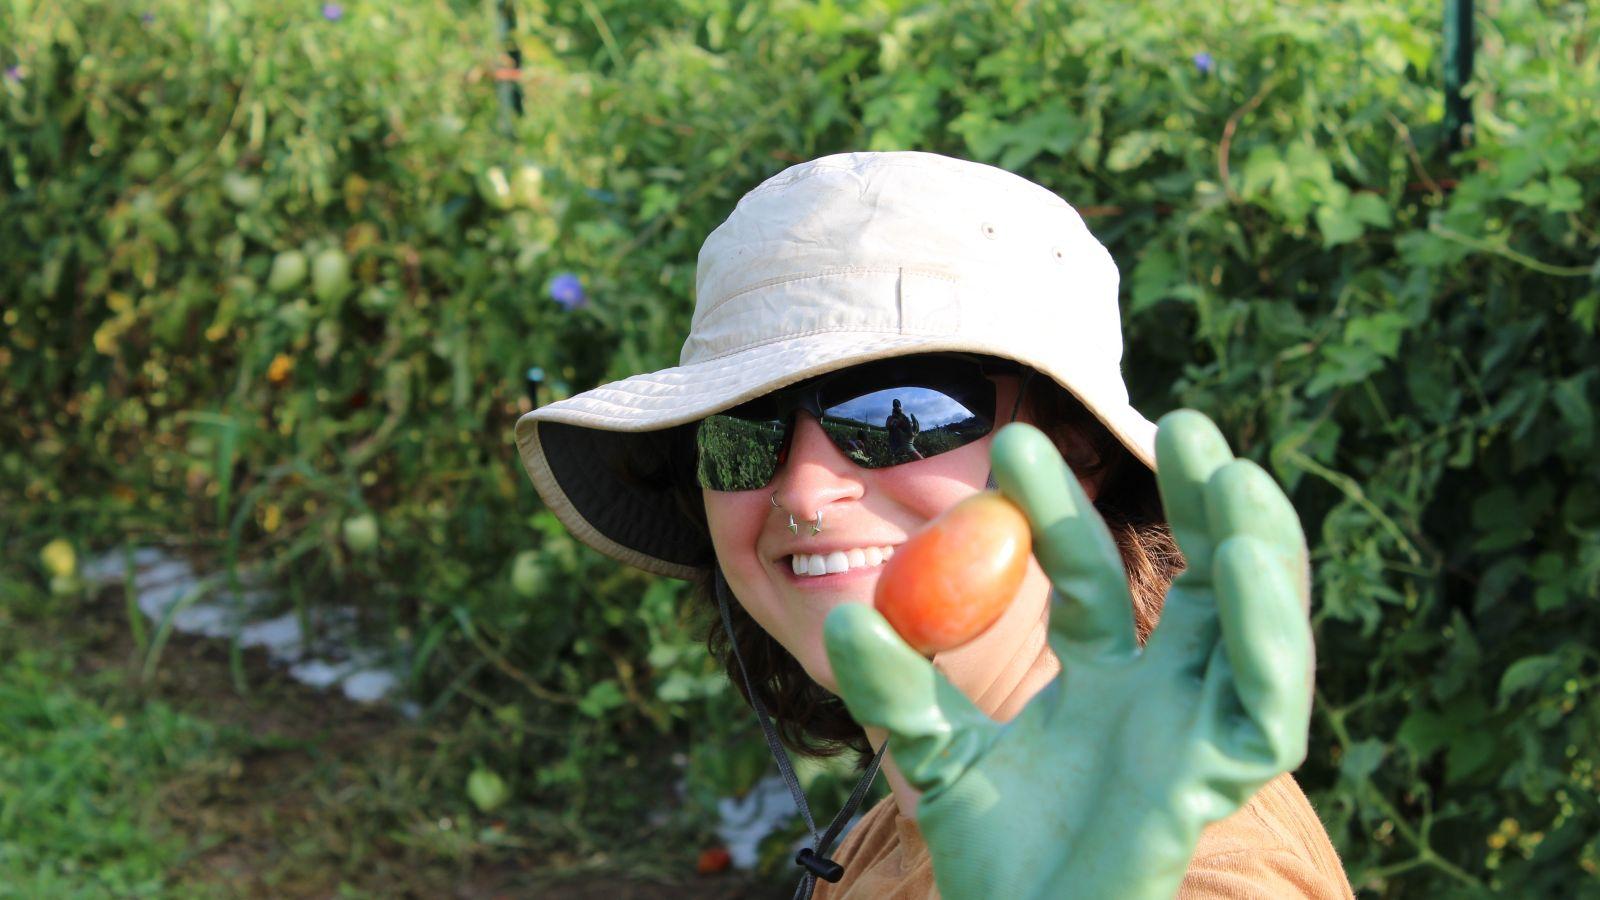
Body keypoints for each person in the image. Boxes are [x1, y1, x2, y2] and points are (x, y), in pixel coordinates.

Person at [514, 152, 1354, 899]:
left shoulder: (1193, 864)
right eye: (742, 434)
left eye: (900, 414)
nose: (804, 489)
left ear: (1075, 453)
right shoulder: (890, 834)